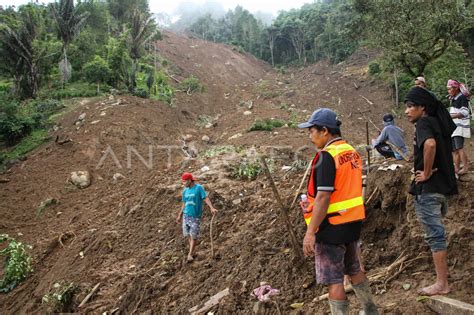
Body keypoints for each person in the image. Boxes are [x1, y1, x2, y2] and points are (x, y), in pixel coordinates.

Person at [298, 108, 378, 315]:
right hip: (352, 222)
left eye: (312, 131)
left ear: (324, 131)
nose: (310, 136)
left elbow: (324, 196)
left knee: (334, 280)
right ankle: (370, 311)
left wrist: (310, 232)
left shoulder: (326, 156)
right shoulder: (351, 152)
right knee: (354, 269)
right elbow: (344, 190)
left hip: (331, 226)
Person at [404, 87, 458, 296]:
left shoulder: (424, 123)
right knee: (438, 234)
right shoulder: (438, 123)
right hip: (442, 189)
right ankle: (441, 279)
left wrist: (426, 172)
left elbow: (430, 145)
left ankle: (441, 283)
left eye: (411, 107)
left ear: (422, 108)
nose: (407, 111)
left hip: (429, 189)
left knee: (435, 236)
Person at [176, 172, 218, 262]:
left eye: (184, 181)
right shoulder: (185, 191)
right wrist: (180, 215)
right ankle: (193, 252)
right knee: (188, 235)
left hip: (195, 216)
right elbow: (184, 203)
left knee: (194, 235)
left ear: (190, 180)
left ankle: (190, 254)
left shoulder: (199, 188)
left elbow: (205, 198)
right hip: (186, 215)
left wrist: (211, 208)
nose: (183, 183)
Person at [447, 79, 471, 176]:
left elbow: (465, 112)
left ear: (455, 89)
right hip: (454, 127)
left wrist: (450, 116)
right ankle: (456, 168)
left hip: (459, 127)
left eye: (449, 89)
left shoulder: (462, 98)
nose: (448, 91)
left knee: (459, 147)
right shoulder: (454, 98)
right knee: (454, 150)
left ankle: (465, 167)